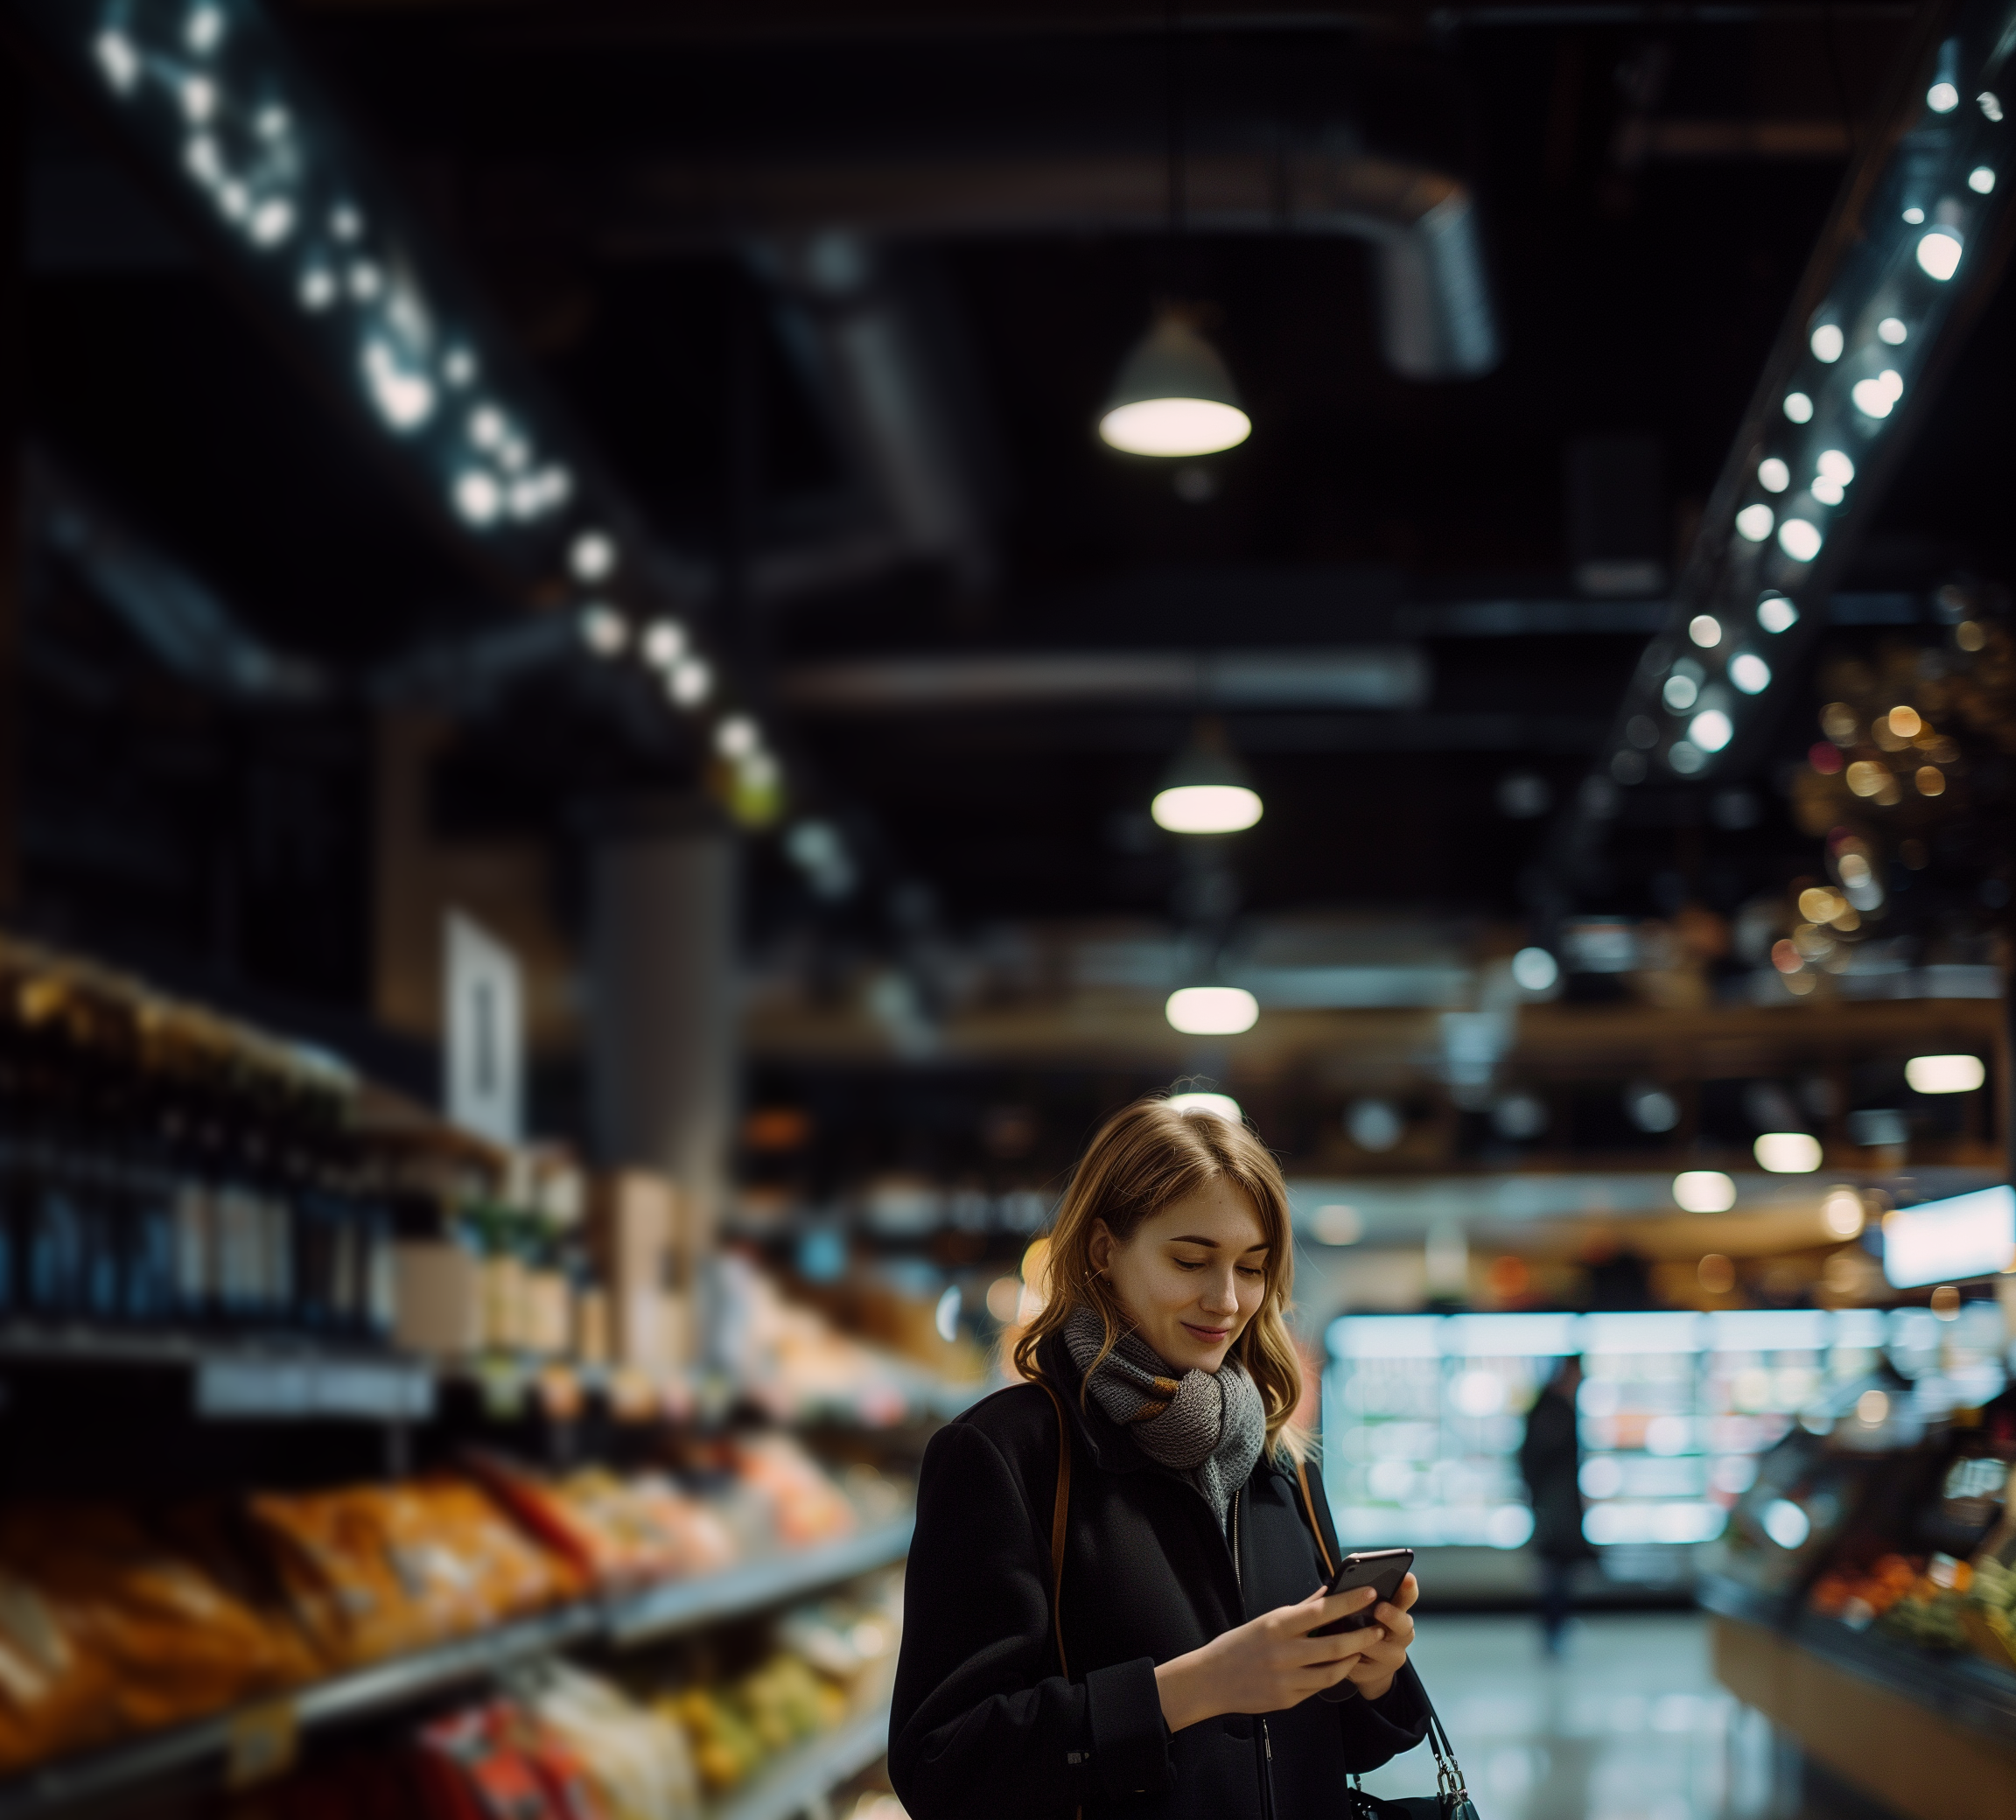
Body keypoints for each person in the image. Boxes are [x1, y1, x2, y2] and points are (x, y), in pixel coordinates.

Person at [891, 1097, 1430, 1820]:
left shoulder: (1282, 1461)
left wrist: (1372, 1673)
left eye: (1252, 1267)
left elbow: (1341, 1748)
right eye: (1190, 1260)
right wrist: (1191, 1689)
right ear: (1104, 1251)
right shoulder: (1005, 1454)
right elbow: (943, 1767)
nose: (1227, 1300)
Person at [1518, 1354, 1591, 1656]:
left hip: (1552, 1508)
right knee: (1557, 1574)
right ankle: (1554, 1632)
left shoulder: (1546, 1406)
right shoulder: (1554, 1409)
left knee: (1556, 1573)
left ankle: (1555, 1631)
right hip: (1556, 1512)